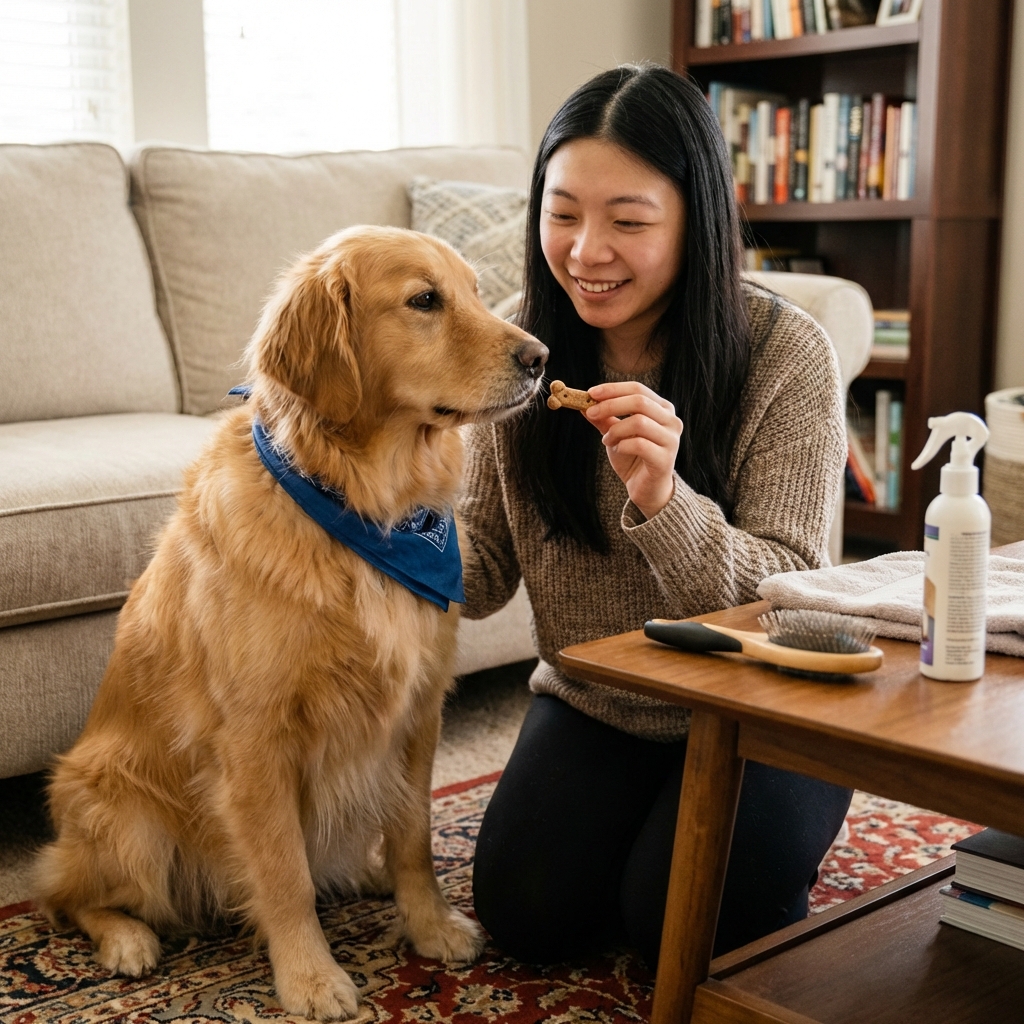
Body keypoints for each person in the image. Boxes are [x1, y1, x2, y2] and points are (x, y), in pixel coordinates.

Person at [458, 63, 852, 969]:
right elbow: (479, 574)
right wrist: (360, 508)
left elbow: (796, 601)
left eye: (628, 222)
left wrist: (666, 501)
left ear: (694, 221)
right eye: (562, 214)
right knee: (527, 917)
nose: (587, 250)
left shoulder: (785, 354)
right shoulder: (518, 347)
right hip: (603, 699)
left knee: (680, 925)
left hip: (770, 705)